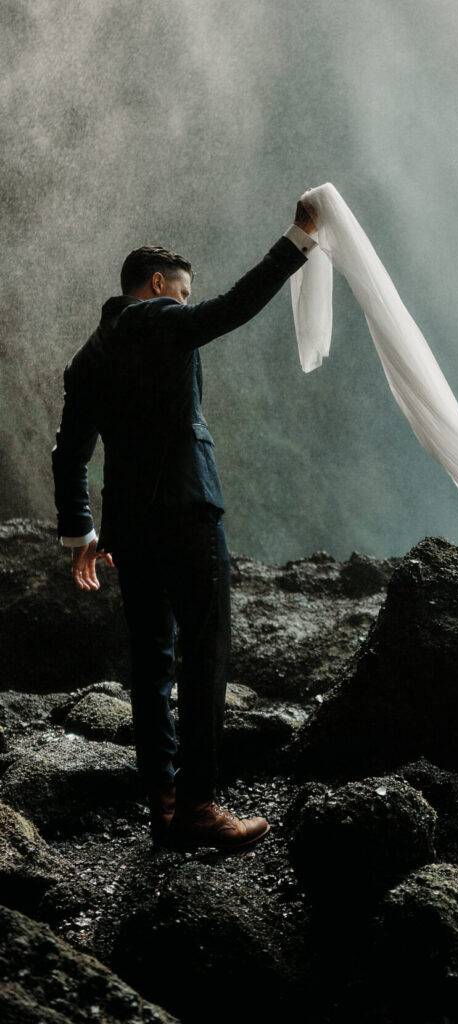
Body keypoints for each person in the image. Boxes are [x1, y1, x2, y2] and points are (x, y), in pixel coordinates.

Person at [50, 194, 320, 852]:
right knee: (206, 649)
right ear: (157, 286)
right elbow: (228, 311)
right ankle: (199, 802)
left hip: (128, 529)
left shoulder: (89, 358)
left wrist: (79, 529)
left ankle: (165, 808)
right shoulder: (160, 319)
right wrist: (298, 240)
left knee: (151, 661)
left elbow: (70, 451)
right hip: (185, 510)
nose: (183, 299)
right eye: (180, 289)